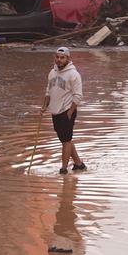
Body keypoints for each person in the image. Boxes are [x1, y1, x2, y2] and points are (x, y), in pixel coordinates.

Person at [41, 47, 86, 175]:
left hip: (67, 111)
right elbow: (48, 92)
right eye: (57, 57)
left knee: (66, 140)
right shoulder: (52, 73)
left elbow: (78, 95)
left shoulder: (73, 74)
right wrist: (44, 106)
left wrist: (70, 112)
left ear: (68, 59)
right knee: (65, 139)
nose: (59, 60)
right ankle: (79, 164)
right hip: (55, 111)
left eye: (62, 58)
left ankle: (63, 169)